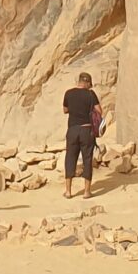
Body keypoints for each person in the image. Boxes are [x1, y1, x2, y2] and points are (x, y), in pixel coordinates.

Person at [61, 71, 105, 199]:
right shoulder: (90, 94)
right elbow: (99, 111)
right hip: (86, 130)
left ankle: (68, 191)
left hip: (73, 130)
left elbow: (65, 110)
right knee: (87, 159)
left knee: (70, 158)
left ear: (79, 81)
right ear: (87, 83)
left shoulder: (68, 93)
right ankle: (86, 192)